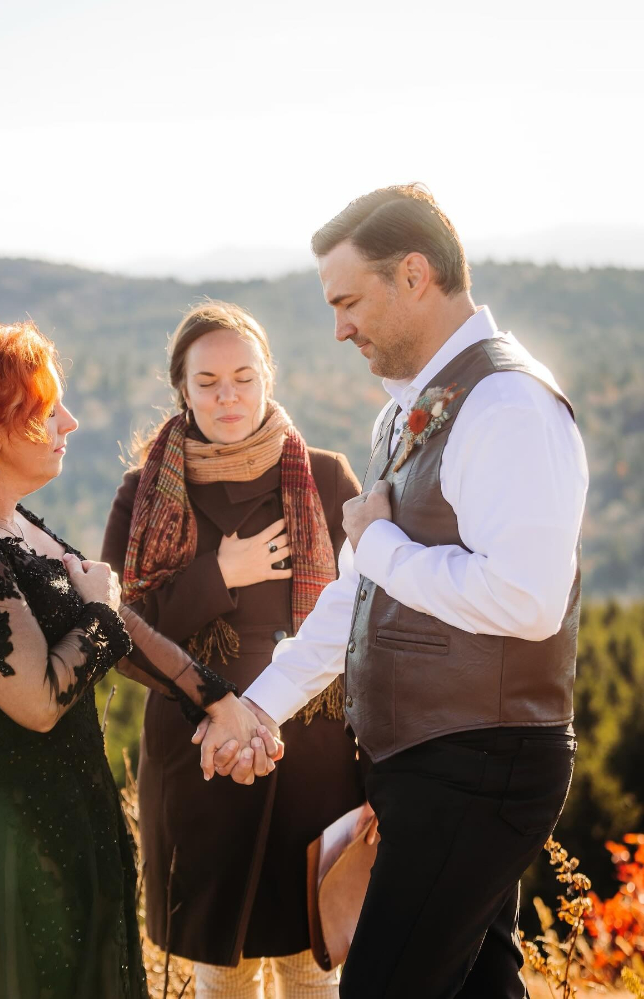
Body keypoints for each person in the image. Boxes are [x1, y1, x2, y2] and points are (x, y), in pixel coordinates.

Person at [202, 186, 589, 998]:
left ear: (414, 274)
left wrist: (378, 539)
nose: (339, 326)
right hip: (423, 766)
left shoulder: (510, 405)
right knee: (479, 986)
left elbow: (527, 600)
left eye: (348, 299)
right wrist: (260, 704)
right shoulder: (407, 412)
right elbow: (356, 594)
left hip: (482, 764)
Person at [0, 318, 274, 999]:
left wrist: (219, 698)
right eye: (46, 411)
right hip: (1, 839)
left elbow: (110, 624)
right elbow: (43, 701)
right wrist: (102, 609)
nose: (70, 423)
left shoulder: (5, 515)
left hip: (66, 818)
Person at [102, 301, 369, 998]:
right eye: (209, 381)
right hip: (202, 757)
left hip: (312, 757)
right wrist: (219, 573)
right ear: (182, 389)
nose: (228, 396)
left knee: (314, 967)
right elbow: (118, 629)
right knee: (223, 974)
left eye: (244, 378)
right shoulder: (145, 492)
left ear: (268, 378)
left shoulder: (327, 476)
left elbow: (370, 618)